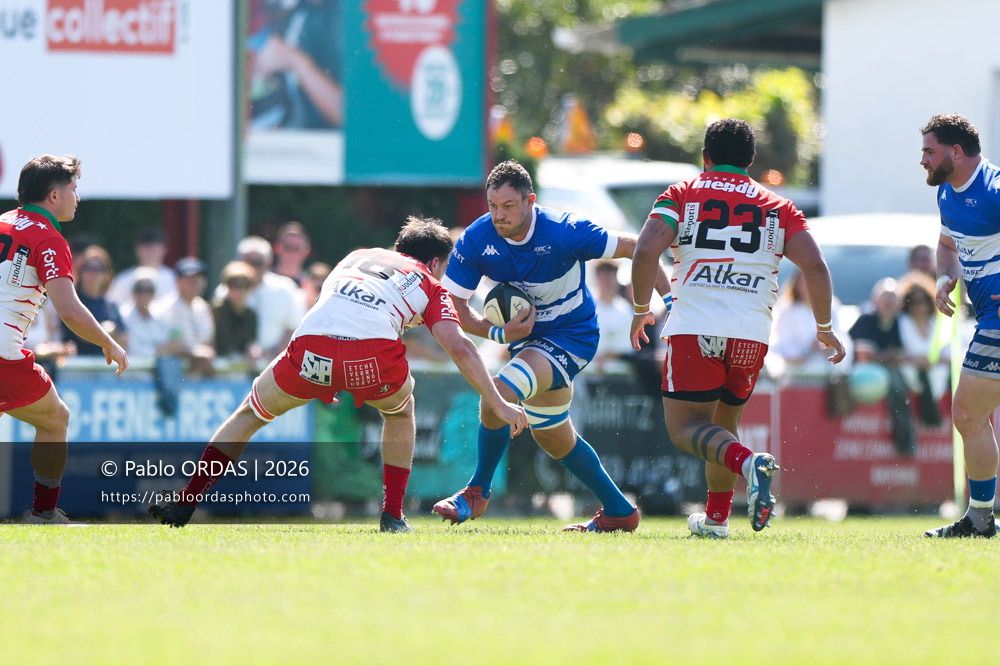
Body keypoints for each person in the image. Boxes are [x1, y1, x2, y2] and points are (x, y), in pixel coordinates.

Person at [149, 217, 527, 531]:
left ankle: (186, 501)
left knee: (250, 414)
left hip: (312, 344)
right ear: (436, 264)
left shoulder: (357, 256)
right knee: (400, 410)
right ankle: (393, 515)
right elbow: (458, 346)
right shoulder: (429, 282)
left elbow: (333, 310)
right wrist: (499, 403)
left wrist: (328, 377)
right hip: (372, 354)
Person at [630, 119, 846, 539]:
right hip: (751, 335)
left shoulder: (682, 193)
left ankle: (749, 463)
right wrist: (825, 326)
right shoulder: (779, 206)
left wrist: (642, 309)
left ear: (705, 157)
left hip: (695, 329)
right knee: (721, 429)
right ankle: (716, 521)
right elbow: (816, 267)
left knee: (685, 430)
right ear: (751, 161)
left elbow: (644, 251)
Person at [431, 160, 672, 533]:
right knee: (553, 437)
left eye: (508, 206)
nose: (499, 215)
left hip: (571, 336)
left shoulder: (565, 230)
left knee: (496, 393)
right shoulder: (477, 239)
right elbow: (453, 305)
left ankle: (477, 491)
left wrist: (663, 305)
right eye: (493, 206)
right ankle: (620, 510)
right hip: (527, 344)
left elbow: (639, 248)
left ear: (531, 201)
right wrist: (495, 333)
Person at [0, 154, 128, 524]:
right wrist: (109, 341)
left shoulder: (4, 222)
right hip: (4, 356)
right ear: (54, 197)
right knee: (55, 419)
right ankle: (44, 513)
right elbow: (69, 311)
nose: (78, 197)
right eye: (73, 189)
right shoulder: (50, 239)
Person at [922, 113, 1000, 538]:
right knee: (970, 415)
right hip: (988, 318)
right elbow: (946, 244)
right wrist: (943, 277)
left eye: (929, 152)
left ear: (955, 151)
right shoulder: (948, 194)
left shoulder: (994, 190)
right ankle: (981, 518)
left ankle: (980, 519)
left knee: (968, 414)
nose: (923, 161)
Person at [849, 278, 916, 455]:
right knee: (894, 382)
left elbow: (904, 355)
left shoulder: (900, 323)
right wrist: (888, 356)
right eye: (885, 297)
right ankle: (905, 443)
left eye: (893, 298)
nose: (888, 302)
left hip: (882, 371)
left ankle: (907, 440)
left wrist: (889, 357)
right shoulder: (866, 320)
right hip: (858, 373)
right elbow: (864, 358)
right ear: (874, 300)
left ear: (900, 304)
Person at [59, 245, 128, 356]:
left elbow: (124, 340)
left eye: (98, 269)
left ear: (106, 274)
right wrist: (104, 332)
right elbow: (81, 335)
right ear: (80, 272)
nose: (93, 274)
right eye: (88, 268)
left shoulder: (111, 305)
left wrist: (113, 333)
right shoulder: (72, 300)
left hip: (106, 366)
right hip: (76, 366)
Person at [160, 257, 216, 377]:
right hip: (175, 373)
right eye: (189, 279)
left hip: (198, 372)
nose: (194, 283)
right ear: (177, 281)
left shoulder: (203, 307)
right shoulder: (166, 308)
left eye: (197, 278)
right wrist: (197, 354)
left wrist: (204, 353)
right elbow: (170, 346)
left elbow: (209, 341)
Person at [106, 228, 177, 308]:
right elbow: (113, 308)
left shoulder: (174, 279)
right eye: (146, 247)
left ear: (165, 249)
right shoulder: (123, 279)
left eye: (154, 246)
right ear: (137, 249)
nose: (150, 251)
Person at [212, 260, 262, 366]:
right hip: (217, 370)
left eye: (245, 285)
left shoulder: (251, 315)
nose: (239, 290)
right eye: (234, 284)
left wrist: (253, 349)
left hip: (240, 370)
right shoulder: (216, 311)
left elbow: (250, 342)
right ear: (227, 286)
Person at [590, 259, 635, 373]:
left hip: (617, 370)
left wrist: (605, 358)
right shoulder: (586, 307)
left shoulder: (625, 310)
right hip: (586, 366)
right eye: (602, 277)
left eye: (610, 277)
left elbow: (626, 347)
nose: (606, 282)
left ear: (616, 279)